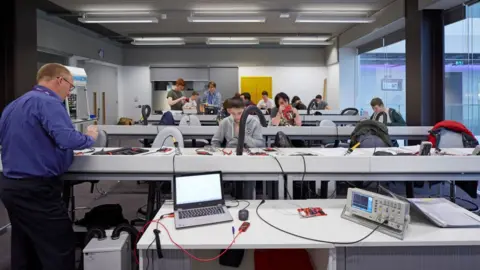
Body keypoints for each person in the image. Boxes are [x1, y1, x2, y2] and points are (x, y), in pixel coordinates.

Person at [0, 63, 99, 270]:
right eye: (70, 87)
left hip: (10, 186)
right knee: (59, 245)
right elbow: (67, 139)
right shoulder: (49, 103)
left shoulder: (14, 105)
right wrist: (89, 137)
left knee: (24, 244)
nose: (68, 92)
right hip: (37, 188)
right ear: (60, 80)